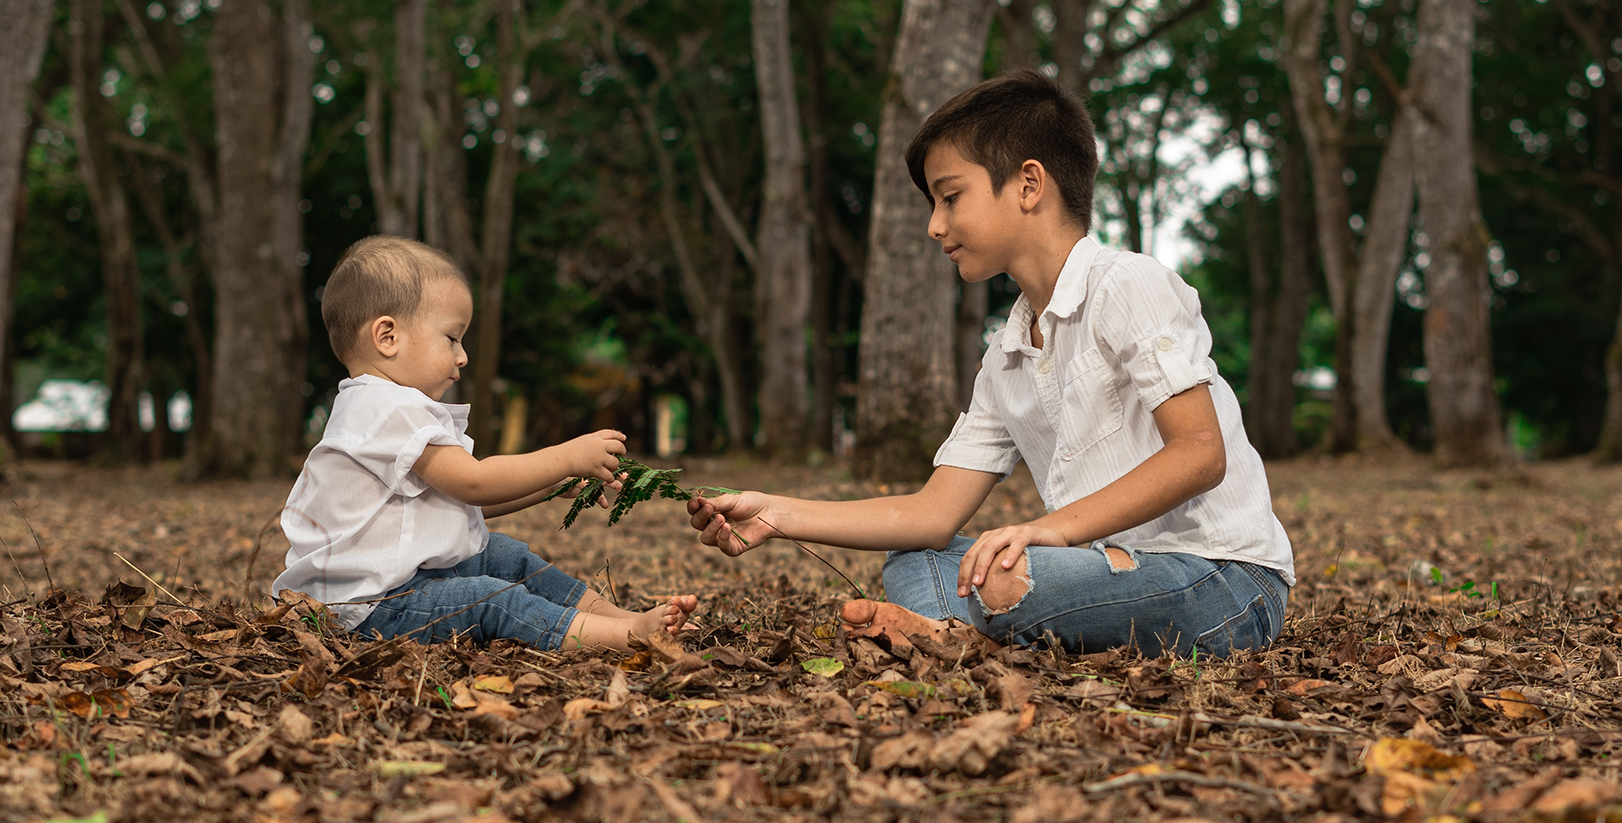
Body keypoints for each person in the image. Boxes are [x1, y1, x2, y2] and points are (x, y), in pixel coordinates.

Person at [689, 70, 1293, 657]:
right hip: (1091, 571)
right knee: (922, 561)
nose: (935, 225)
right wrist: (775, 513)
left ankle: (972, 625)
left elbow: (1199, 453)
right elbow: (930, 515)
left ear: (1029, 185)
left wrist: (1050, 532)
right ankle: (964, 638)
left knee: (1014, 574)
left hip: (1220, 578)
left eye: (951, 197)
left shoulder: (1126, 284)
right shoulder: (1006, 355)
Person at [275, 235, 696, 648]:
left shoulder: (377, 405)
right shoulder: (386, 405)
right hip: (368, 607)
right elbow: (474, 482)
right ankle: (625, 636)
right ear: (388, 337)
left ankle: (623, 618)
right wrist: (564, 458)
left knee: (502, 555)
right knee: (487, 600)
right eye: (452, 338)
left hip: (396, 582)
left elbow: (464, 501)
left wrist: (546, 485)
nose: (463, 356)